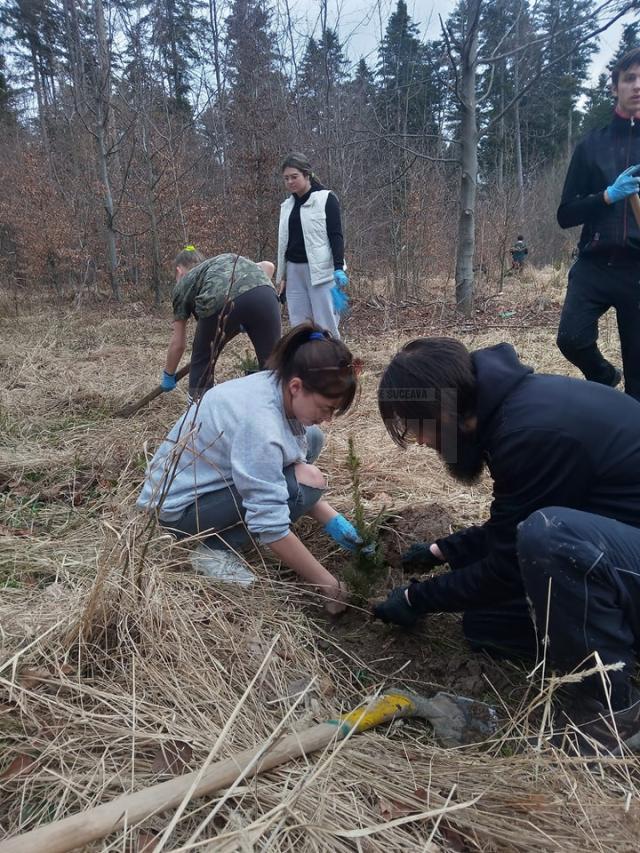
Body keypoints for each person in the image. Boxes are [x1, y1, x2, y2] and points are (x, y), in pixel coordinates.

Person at [373, 336, 640, 752]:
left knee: (548, 537)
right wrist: (444, 551)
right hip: (619, 547)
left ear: (446, 412)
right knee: (486, 625)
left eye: (421, 428)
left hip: (627, 556)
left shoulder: (528, 431)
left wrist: (415, 598)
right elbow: (512, 524)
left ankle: (609, 708)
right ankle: (615, 639)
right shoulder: (511, 410)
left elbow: (515, 560)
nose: (423, 443)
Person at [139, 323, 363, 614]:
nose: (328, 418)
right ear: (296, 386)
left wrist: (333, 521)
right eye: (326, 408)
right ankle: (215, 549)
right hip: (177, 514)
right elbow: (269, 526)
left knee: (313, 439)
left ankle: (223, 537)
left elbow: (287, 459)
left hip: (204, 489)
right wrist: (329, 586)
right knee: (304, 482)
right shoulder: (260, 424)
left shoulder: (276, 384)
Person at [556, 48, 640, 399]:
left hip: (638, 270)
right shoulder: (592, 146)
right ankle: (604, 377)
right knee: (571, 338)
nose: (638, 86)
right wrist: (607, 195)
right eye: (630, 78)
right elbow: (566, 214)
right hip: (595, 262)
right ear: (615, 87)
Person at [160, 248, 282, 401]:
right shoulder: (221, 263)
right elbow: (268, 266)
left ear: (179, 271)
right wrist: (248, 310)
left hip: (219, 301)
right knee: (273, 365)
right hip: (265, 295)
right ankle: (280, 412)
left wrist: (169, 374)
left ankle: (198, 414)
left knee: (202, 360)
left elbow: (178, 344)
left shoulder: (183, 283)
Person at [276, 153, 348, 340]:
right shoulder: (287, 206)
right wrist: (283, 275)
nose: (290, 182)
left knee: (326, 322)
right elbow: (285, 243)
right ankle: (306, 361)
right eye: (286, 178)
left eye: (294, 177)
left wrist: (338, 268)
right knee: (300, 323)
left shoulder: (325, 199)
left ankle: (332, 361)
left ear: (307, 175)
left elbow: (336, 235)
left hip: (321, 271)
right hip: (294, 271)